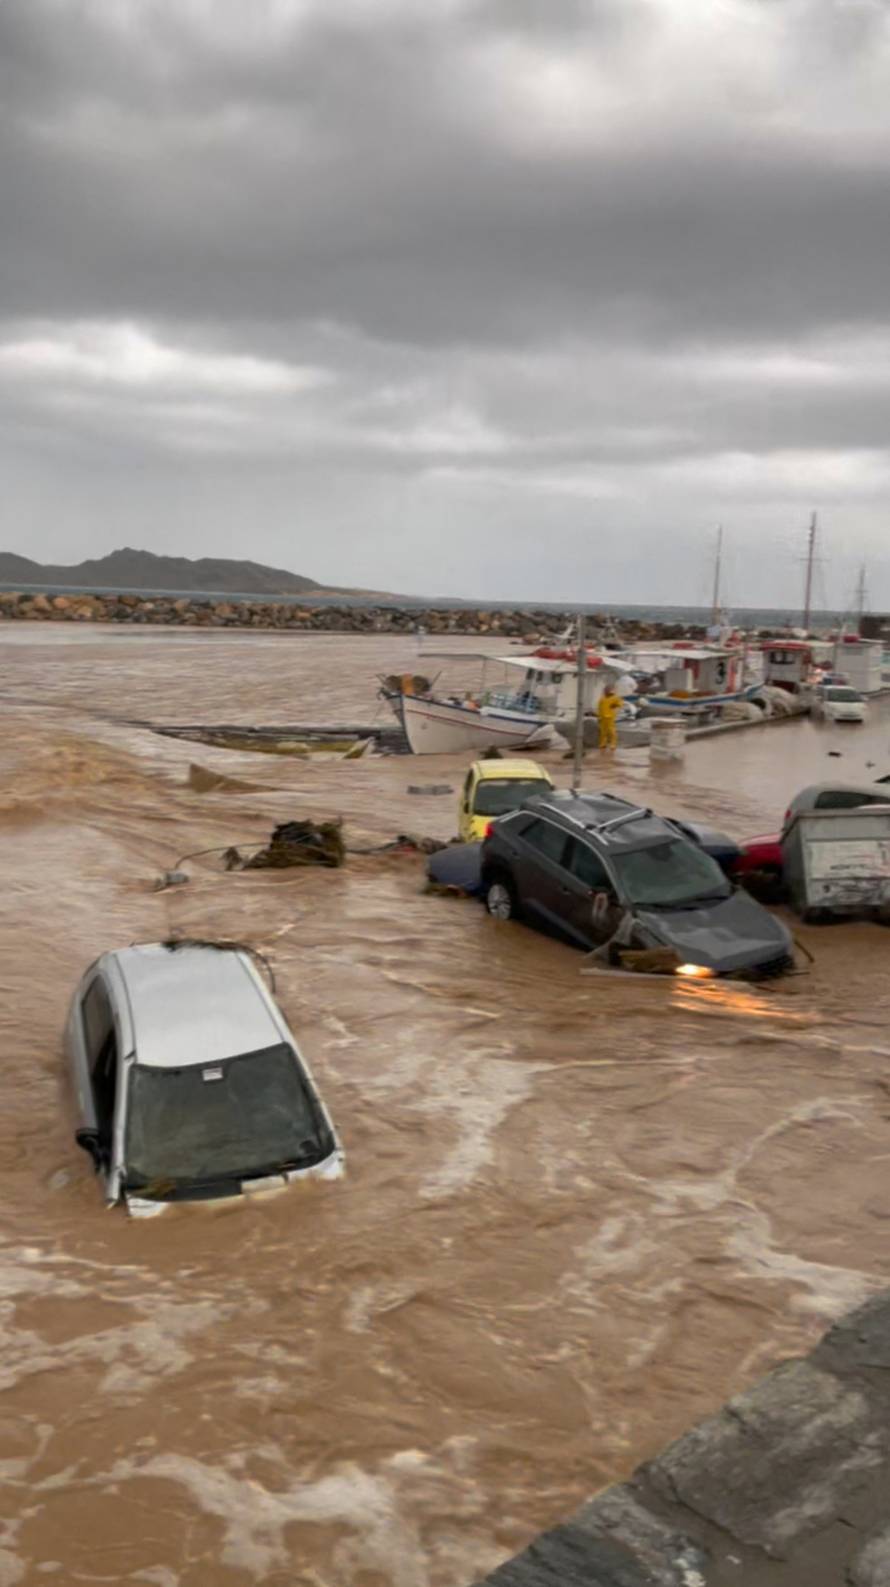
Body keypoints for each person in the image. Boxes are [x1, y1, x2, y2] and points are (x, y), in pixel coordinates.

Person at [597, 684, 623, 752]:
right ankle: (603, 743)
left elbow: (620, 704)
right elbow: (599, 708)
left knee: (611, 731)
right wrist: (599, 716)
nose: (606, 691)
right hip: (602, 717)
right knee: (603, 732)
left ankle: (613, 744)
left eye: (608, 689)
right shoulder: (602, 699)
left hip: (610, 717)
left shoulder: (615, 698)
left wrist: (615, 705)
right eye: (605, 690)